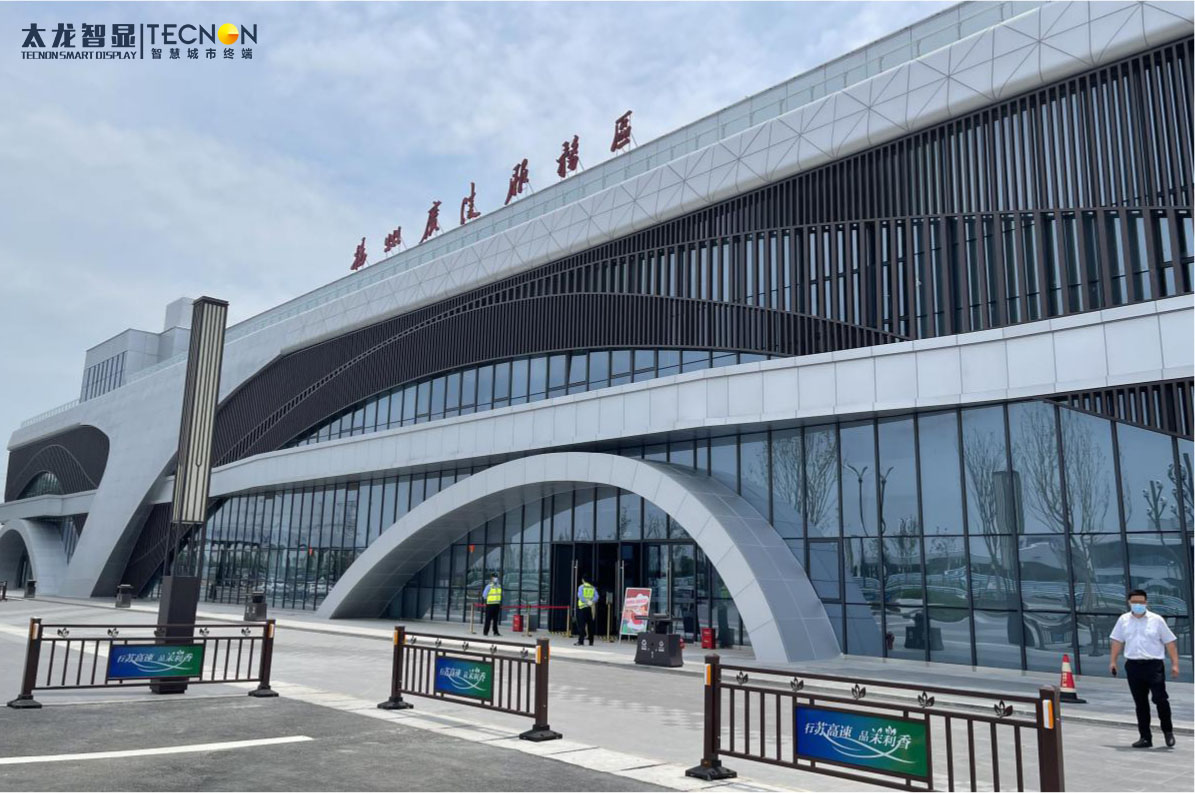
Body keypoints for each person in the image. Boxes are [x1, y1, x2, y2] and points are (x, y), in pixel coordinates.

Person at [1109, 589, 1180, 748]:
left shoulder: (1157, 620)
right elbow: (1117, 641)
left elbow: (1169, 642)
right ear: (1129, 602)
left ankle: (1168, 731)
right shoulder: (1123, 620)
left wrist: (1175, 664)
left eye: (1141, 602)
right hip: (1133, 665)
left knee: (1160, 699)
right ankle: (1145, 737)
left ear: (1146, 602)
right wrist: (1113, 661)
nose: (1138, 605)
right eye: (1135, 602)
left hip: (1153, 665)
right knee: (1140, 703)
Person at [575, 575, 597, 646]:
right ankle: (591, 641)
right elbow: (597, 596)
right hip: (589, 608)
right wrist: (591, 601)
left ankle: (581, 641)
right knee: (590, 625)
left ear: (583, 580)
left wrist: (586, 601)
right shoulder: (592, 587)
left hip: (582, 608)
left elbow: (580, 596)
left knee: (582, 625)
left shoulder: (581, 587)